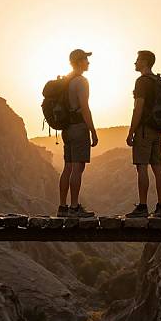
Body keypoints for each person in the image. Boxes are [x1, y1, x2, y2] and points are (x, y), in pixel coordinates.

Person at [57, 49, 98, 217]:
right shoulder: (81, 81)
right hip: (78, 127)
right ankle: (74, 208)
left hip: (66, 128)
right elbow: (85, 108)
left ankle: (62, 207)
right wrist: (93, 131)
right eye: (86, 60)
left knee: (67, 167)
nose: (88, 63)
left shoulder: (66, 80)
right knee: (78, 168)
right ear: (79, 61)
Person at [125, 50, 161, 217]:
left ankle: (142, 207)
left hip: (144, 130)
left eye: (137, 60)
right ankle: (160, 207)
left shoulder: (142, 81)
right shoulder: (157, 81)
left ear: (144, 61)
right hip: (157, 129)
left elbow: (138, 108)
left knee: (142, 167)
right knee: (157, 168)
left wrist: (131, 132)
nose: (135, 63)